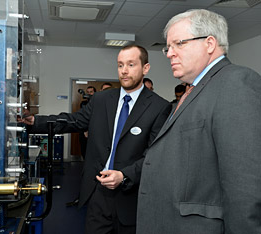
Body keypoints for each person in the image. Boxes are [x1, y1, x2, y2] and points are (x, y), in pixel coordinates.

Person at [23, 45, 171, 234]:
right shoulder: (101, 99)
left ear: (145, 68)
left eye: (131, 64)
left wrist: (124, 176)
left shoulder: (159, 107)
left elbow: (154, 156)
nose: (124, 71)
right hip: (97, 191)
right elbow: (74, 121)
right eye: (120, 65)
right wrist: (36, 121)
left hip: (131, 196)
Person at [136, 9, 261, 234]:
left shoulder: (235, 83)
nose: (169, 54)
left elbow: (246, 188)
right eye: (168, 47)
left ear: (210, 43)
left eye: (178, 44)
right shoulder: (196, 91)